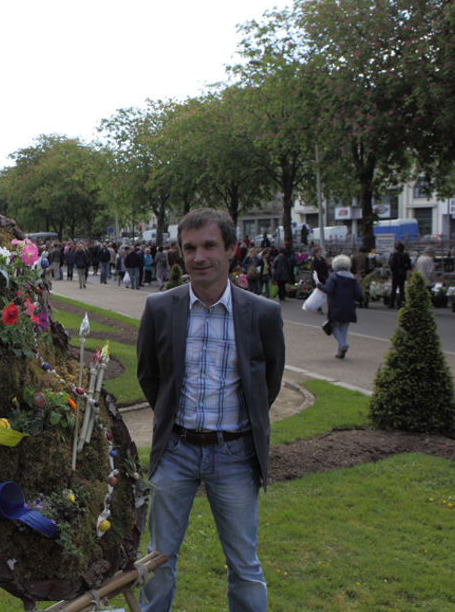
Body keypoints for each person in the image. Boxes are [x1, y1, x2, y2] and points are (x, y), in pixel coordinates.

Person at [137, 208, 284, 612]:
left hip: (235, 455)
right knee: (158, 558)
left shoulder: (263, 313)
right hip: (176, 453)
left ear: (231, 250)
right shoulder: (160, 308)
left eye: (209, 246)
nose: (199, 257)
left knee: (244, 564)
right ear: (179, 253)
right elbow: (149, 375)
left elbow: (267, 384)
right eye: (189, 248)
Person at [321, 254, 362, 359]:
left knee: (333, 326)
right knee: (344, 328)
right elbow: (358, 293)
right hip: (349, 305)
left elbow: (328, 290)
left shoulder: (334, 277)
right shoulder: (353, 278)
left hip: (335, 305)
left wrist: (318, 285)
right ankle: (340, 351)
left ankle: (342, 344)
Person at [387, 242, 411, 308]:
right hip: (403, 273)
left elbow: (392, 265)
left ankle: (391, 303)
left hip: (395, 274)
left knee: (394, 288)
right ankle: (401, 303)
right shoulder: (406, 255)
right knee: (402, 289)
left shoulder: (394, 255)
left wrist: (393, 270)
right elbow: (409, 265)